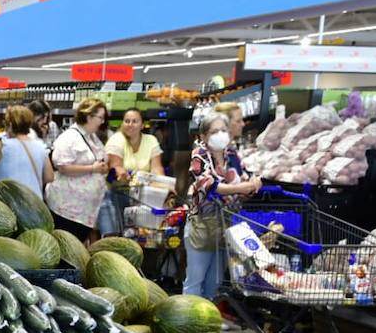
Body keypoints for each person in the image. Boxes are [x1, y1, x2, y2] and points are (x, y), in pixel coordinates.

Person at [184, 112, 261, 299]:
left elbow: (244, 178)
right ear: (203, 136)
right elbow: (209, 185)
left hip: (226, 224)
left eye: (223, 130)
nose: (220, 135)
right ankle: (189, 320)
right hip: (201, 224)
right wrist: (242, 187)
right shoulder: (199, 155)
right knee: (196, 278)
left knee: (215, 280)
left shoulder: (232, 155)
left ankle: (208, 318)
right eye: (214, 131)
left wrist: (253, 184)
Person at [47, 97, 110, 241]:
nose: (102, 121)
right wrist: (92, 168)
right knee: (66, 245)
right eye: (100, 117)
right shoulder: (69, 137)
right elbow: (62, 166)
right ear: (88, 116)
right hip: (67, 209)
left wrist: (102, 167)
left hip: (84, 211)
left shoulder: (92, 137)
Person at [101, 108, 165, 236]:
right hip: (117, 194)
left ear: (142, 125)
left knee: (146, 235)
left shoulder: (151, 140)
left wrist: (162, 185)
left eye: (135, 121)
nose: (130, 124)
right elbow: (115, 166)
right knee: (117, 235)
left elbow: (157, 168)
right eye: (127, 121)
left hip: (143, 195)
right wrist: (122, 174)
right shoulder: (116, 139)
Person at [0, 104, 53, 193]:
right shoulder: (41, 146)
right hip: (33, 201)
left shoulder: (1, 145)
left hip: (6, 200)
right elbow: (49, 177)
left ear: (9, 125)